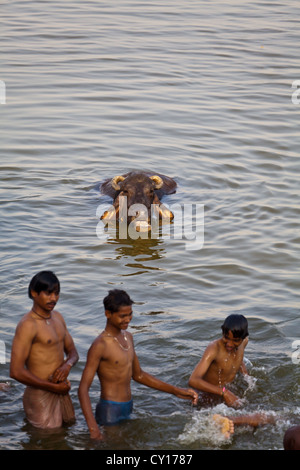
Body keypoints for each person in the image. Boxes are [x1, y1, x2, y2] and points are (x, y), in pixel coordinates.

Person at [78, 289, 198, 440]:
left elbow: (139, 375)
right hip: (110, 409)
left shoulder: (128, 337)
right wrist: (93, 428)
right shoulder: (100, 345)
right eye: (122, 316)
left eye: (130, 314)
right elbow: (83, 389)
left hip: (128, 406)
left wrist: (175, 390)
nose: (128, 319)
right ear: (108, 314)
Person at [10, 271, 79, 429]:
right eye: (48, 294)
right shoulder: (28, 325)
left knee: (68, 432)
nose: (53, 299)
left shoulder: (58, 317)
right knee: (46, 440)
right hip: (40, 396)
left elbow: (73, 352)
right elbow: (15, 371)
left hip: (62, 390)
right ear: (34, 293)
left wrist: (67, 365)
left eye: (56, 293)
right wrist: (53, 387)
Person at [189, 314, 273, 435]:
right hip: (208, 396)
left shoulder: (244, 342)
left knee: (258, 421)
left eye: (235, 340)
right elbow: (193, 380)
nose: (229, 344)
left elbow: (239, 359)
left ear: (243, 338)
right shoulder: (214, 349)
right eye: (226, 338)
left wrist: (246, 377)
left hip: (227, 391)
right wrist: (225, 392)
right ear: (222, 332)